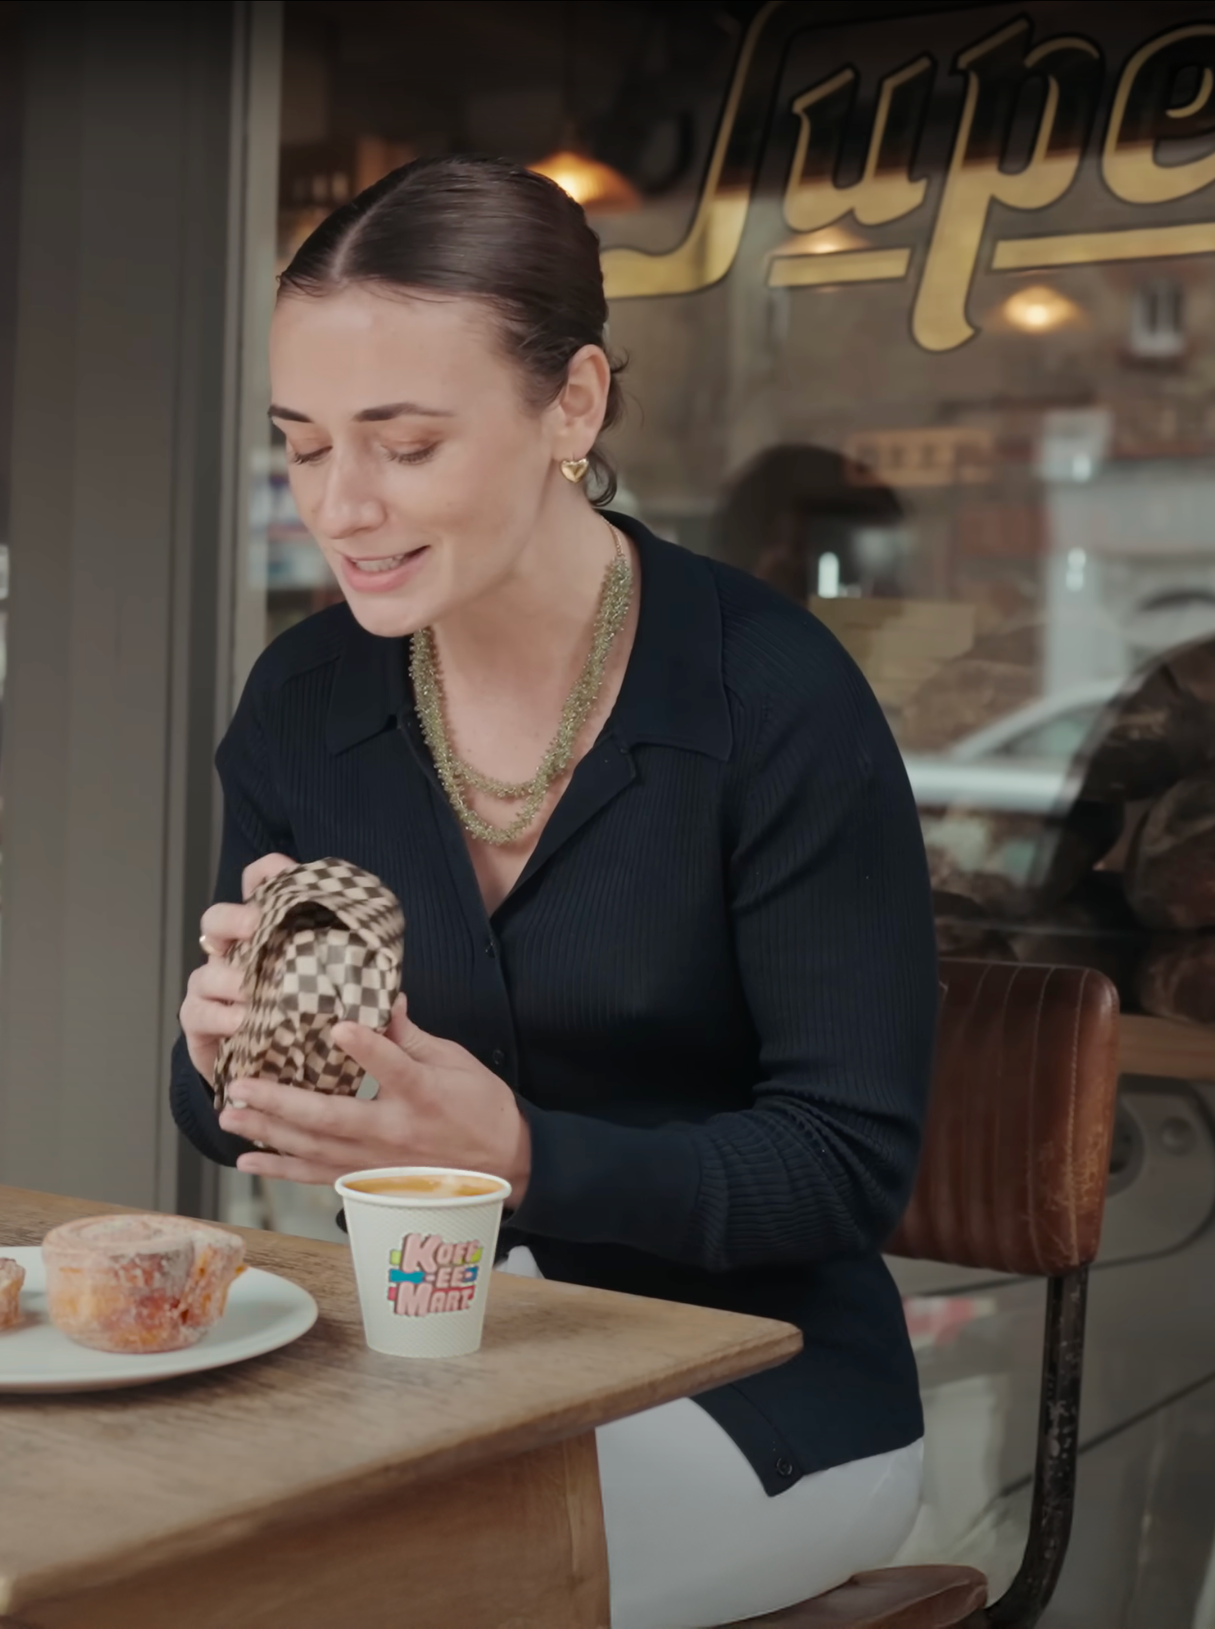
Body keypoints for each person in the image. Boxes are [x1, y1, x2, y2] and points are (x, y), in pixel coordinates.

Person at [172, 156, 934, 1629]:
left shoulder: (768, 697)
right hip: (415, 1374)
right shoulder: (307, 697)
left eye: (402, 443)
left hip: (756, 1390)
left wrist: (522, 1152)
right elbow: (216, 1116)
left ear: (572, 406)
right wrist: (229, 1054)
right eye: (303, 443)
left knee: (359, 1595)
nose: (341, 506)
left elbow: (845, 1165)